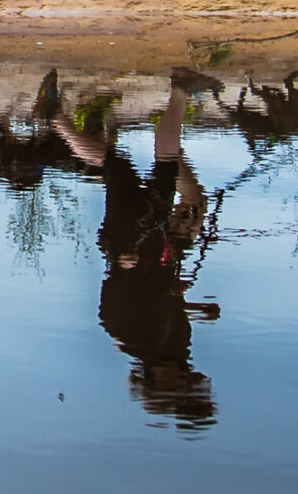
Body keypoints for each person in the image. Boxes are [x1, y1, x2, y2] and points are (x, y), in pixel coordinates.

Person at [43, 69, 224, 430]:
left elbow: (110, 310)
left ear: (158, 386)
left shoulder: (136, 344)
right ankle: (177, 93)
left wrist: (123, 265)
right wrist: (190, 305)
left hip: (131, 244)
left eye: (183, 389)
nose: (190, 381)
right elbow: (164, 301)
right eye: (193, 387)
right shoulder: (174, 349)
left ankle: (179, 91)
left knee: (129, 166)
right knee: (135, 167)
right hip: (152, 247)